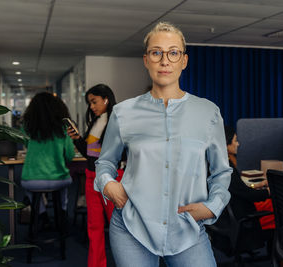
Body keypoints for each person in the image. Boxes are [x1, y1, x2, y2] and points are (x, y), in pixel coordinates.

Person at [94, 22, 232, 267]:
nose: (165, 61)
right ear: (146, 60)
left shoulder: (208, 112)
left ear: (184, 60)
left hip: (187, 228)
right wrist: (109, 185)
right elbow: (105, 161)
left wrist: (213, 207)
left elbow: (221, 171)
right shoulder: (123, 112)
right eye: (157, 52)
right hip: (131, 226)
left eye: (173, 52)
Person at [67, 84, 120, 267]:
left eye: (94, 101)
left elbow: (119, 153)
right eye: (90, 102)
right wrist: (77, 139)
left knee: (118, 227)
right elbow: (90, 153)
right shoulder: (95, 122)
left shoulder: (117, 122)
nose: (91, 106)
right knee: (94, 227)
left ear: (106, 99)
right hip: (91, 177)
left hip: (112, 179)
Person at [210, 126, 274, 254]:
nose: (238, 144)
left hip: (228, 216)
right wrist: (269, 192)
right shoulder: (227, 169)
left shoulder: (216, 163)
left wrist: (257, 185)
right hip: (242, 218)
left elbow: (238, 189)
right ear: (226, 144)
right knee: (277, 210)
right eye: (235, 140)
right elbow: (248, 195)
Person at [21, 92, 74, 220]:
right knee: (63, 186)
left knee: (29, 189)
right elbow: (69, 156)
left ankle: (42, 213)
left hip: (31, 180)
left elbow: (27, 146)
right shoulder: (63, 128)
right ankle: (62, 212)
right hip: (58, 179)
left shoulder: (27, 127)